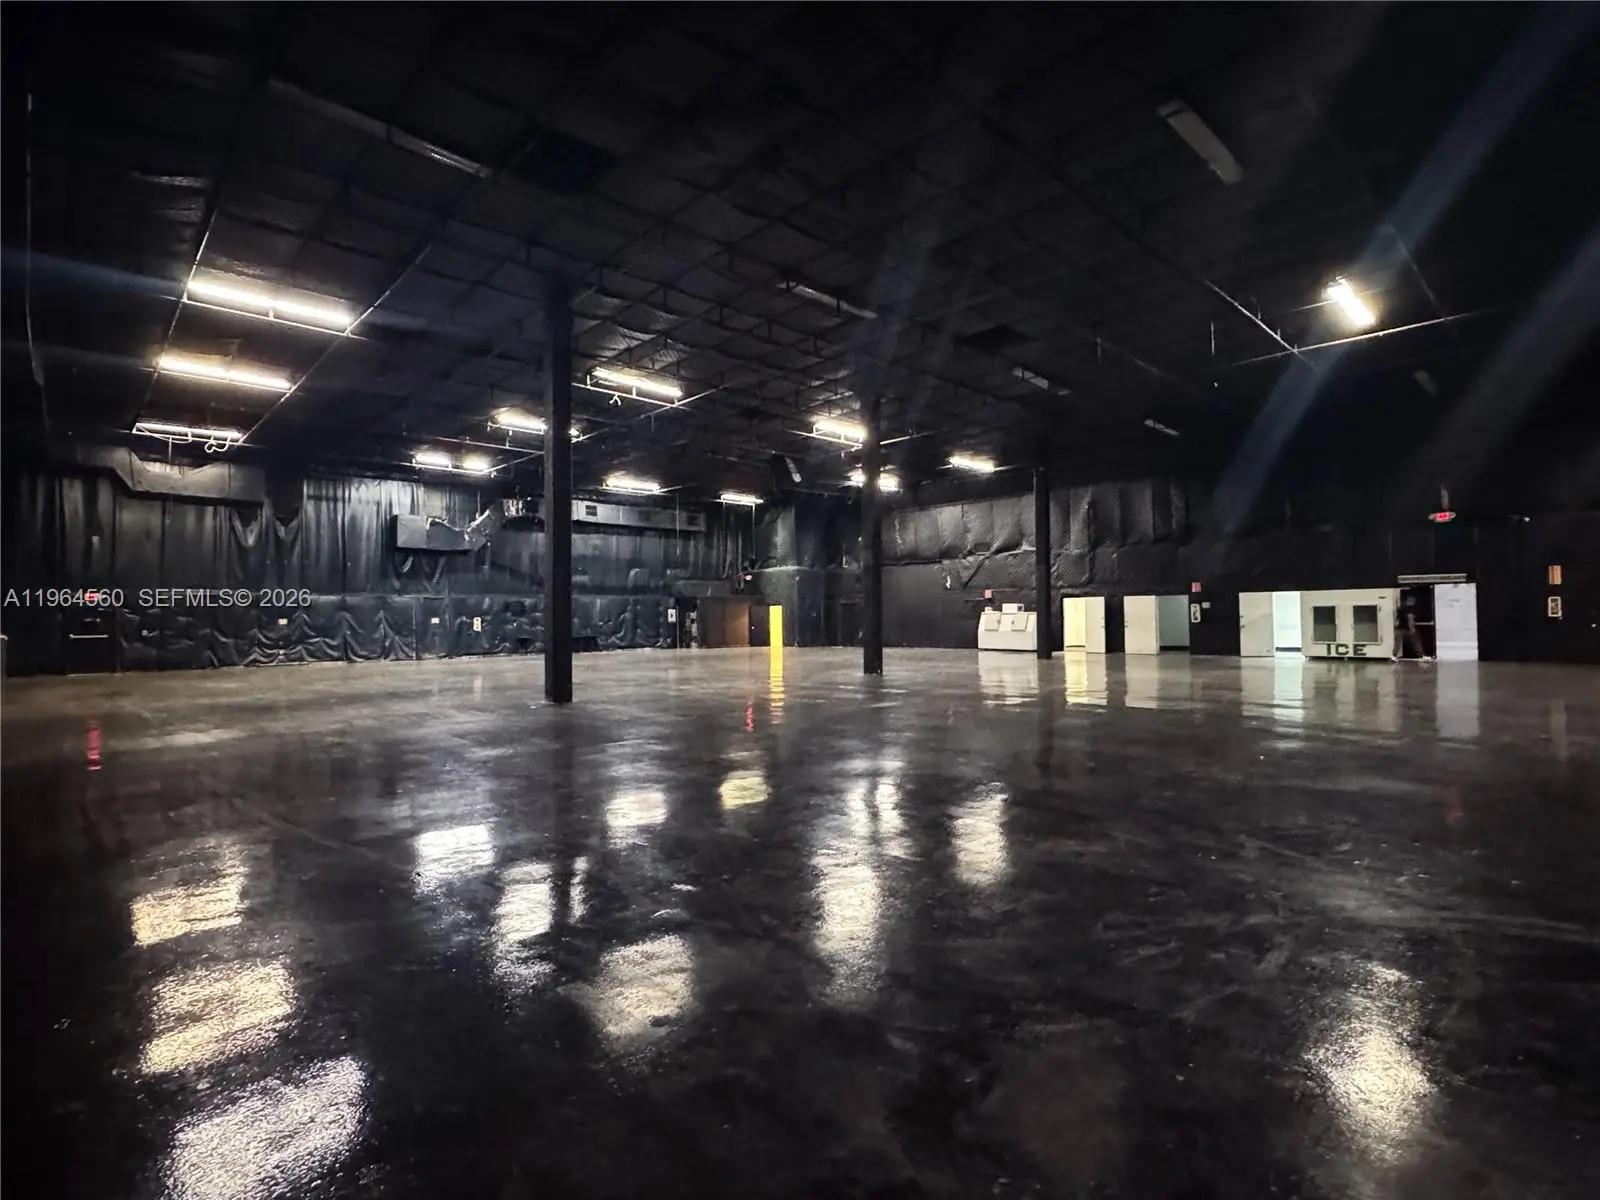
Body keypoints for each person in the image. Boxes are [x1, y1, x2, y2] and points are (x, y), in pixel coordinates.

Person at [1393, 593, 1426, 661]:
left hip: (1399, 628)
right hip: (1407, 628)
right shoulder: (1411, 609)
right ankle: (1421, 655)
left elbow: (1398, 618)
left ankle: (1394, 655)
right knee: (1416, 641)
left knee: (1397, 642)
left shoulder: (1401, 608)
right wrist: (1412, 629)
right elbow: (1410, 619)